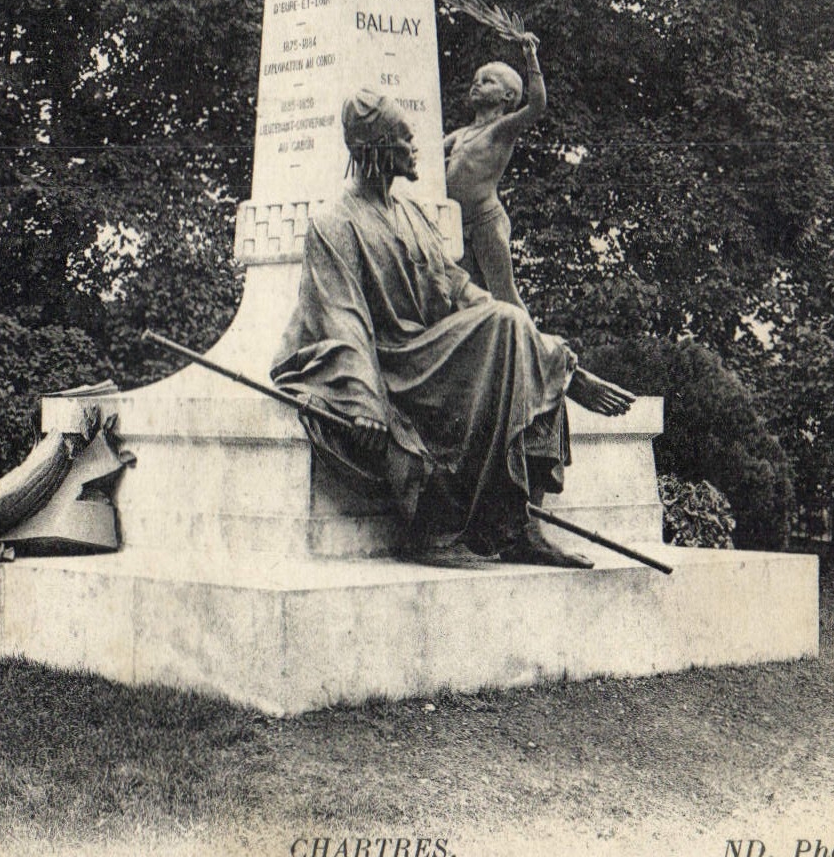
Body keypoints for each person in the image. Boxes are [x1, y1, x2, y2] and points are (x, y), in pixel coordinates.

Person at [271, 91, 633, 569]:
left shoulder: (413, 214)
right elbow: (343, 317)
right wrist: (363, 400)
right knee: (507, 327)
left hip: (431, 350)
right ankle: (482, 523)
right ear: (379, 149)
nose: (418, 148)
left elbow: (459, 288)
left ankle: (525, 524)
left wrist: (561, 361)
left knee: (510, 322)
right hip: (396, 361)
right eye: (406, 140)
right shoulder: (334, 223)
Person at [444, 35, 545, 306]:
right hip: (459, 224)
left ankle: (532, 346)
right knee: (469, 296)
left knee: (503, 292)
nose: (477, 83)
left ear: (507, 96)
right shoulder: (461, 135)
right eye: (477, 79)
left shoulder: (501, 129)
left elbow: (536, 106)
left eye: (488, 81)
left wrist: (530, 57)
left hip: (486, 220)